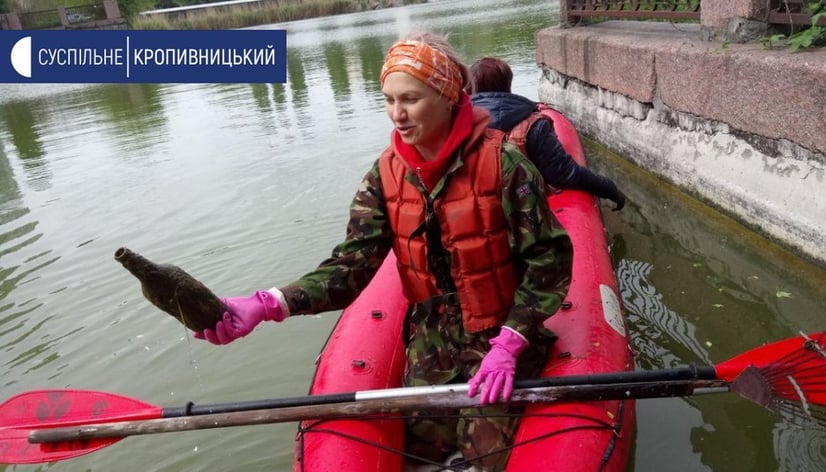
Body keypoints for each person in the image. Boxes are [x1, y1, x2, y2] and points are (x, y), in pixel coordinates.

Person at [193, 32, 573, 471]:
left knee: (482, 448)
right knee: (412, 454)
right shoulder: (386, 175)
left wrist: (513, 339)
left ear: (448, 95)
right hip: (432, 347)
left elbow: (550, 258)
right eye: (389, 100)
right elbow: (351, 267)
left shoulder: (505, 166)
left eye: (410, 99)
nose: (397, 114)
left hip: (502, 338)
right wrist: (269, 304)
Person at [469, 57, 626, 210]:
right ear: (508, 85)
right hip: (520, 205)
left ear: (472, 88)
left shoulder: (456, 126)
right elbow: (565, 174)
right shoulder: (534, 126)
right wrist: (609, 189)